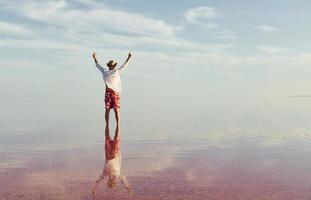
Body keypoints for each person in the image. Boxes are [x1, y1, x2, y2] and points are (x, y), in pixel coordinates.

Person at [91, 51, 132, 195]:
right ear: (113, 66)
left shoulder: (106, 72)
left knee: (108, 110)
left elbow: (97, 66)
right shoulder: (116, 72)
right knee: (116, 110)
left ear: (108, 66)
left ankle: (108, 126)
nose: (113, 179)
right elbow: (124, 66)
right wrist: (128, 57)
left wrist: (95, 57)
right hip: (114, 93)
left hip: (108, 92)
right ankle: (117, 126)